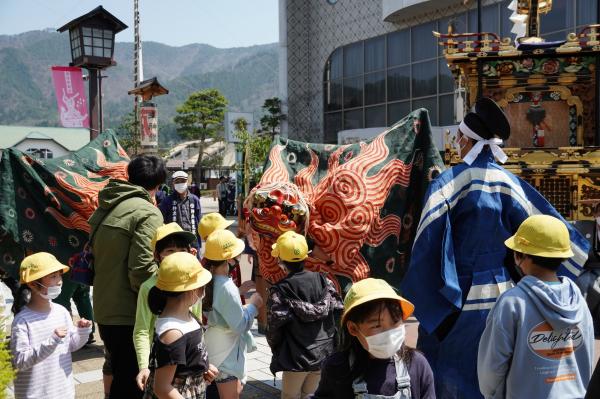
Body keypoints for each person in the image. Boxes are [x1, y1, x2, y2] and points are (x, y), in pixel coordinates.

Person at [400, 98, 589, 399]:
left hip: (458, 295)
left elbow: (427, 240)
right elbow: (543, 226)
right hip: (505, 291)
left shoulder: (449, 183)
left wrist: (417, 291)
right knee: (504, 363)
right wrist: (582, 258)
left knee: (452, 367)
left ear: (464, 140)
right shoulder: (509, 181)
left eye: (458, 138)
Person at [478, 215, 594, 398]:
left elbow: (491, 371)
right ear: (562, 257)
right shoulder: (578, 300)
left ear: (520, 256)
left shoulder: (511, 303)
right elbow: (586, 357)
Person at [89, 154, 167, 399]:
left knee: (120, 376)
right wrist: (164, 301)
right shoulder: (147, 212)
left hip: (104, 307)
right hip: (129, 314)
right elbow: (143, 269)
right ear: (158, 185)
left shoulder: (109, 204)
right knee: (132, 383)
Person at [312, 278, 435, 399]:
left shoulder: (417, 365)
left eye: (395, 321)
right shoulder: (337, 367)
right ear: (353, 328)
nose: (389, 333)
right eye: (377, 325)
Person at [266, 231, 343, 399]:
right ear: (306, 257)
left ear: (280, 261)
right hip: (322, 354)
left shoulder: (280, 290)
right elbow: (337, 311)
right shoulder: (324, 281)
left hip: (294, 358)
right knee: (311, 395)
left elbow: (273, 328)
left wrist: (278, 350)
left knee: (290, 395)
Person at [10, 252, 93, 399]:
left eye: (59, 275)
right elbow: (20, 361)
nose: (60, 281)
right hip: (34, 394)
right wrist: (51, 341)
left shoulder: (61, 312)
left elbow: (71, 345)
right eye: (53, 276)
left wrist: (82, 331)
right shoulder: (22, 321)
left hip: (63, 392)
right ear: (32, 284)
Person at [134, 222, 201, 393]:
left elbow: (197, 323)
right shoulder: (149, 287)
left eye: (182, 250)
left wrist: (204, 362)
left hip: (191, 368)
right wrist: (143, 365)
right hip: (164, 364)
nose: (177, 256)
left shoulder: (194, 284)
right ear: (157, 255)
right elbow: (142, 330)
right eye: (170, 251)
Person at [146, 252, 218, 399]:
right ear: (193, 290)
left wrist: (201, 368)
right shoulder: (173, 332)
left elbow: (186, 360)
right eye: (203, 286)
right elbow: (162, 388)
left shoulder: (188, 316)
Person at [203, 229, 263, 398]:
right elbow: (239, 326)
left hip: (213, 344)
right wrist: (253, 306)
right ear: (229, 258)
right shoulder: (226, 286)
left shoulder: (209, 280)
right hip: (227, 351)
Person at [159, 170, 202, 253]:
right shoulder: (167, 201)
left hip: (192, 240)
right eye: (177, 182)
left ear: (188, 182)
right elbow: (162, 221)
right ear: (173, 184)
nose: (180, 184)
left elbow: (199, 220)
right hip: (174, 241)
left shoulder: (194, 199)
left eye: (183, 181)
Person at [53, 277, 95, 344]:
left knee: (62, 302)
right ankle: (88, 332)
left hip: (66, 272)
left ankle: (67, 333)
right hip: (81, 270)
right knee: (83, 298)